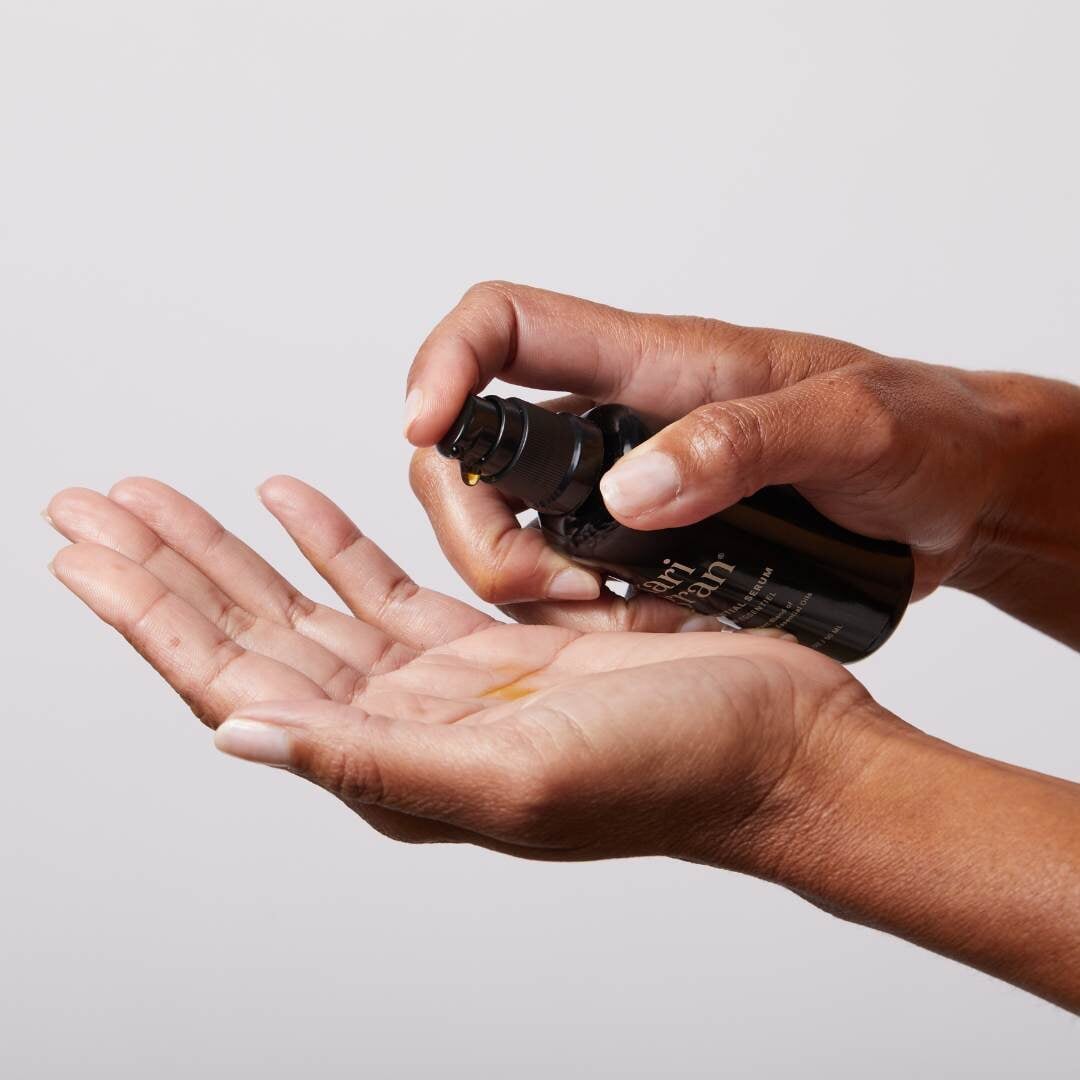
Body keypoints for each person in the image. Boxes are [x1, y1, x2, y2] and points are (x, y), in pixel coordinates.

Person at [46, 282, 1080, 1012]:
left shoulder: (613, 473)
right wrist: (990, 486)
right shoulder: (589, 514)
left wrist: (796, 783)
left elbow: (795, 777)